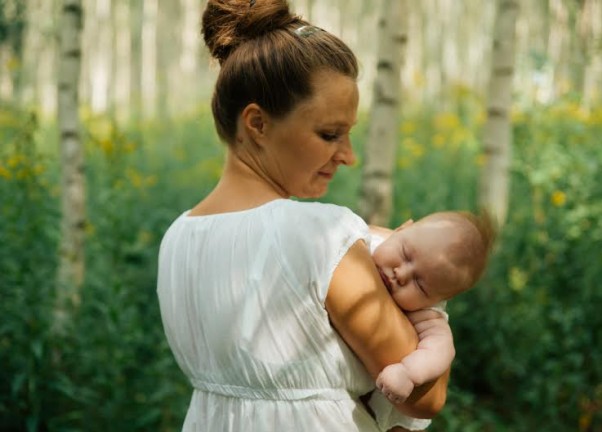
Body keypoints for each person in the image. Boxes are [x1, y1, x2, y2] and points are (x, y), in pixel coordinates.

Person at [157, 1, 449, 431]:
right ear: (257, 122)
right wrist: (433, 311)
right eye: (330, 134)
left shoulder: (177, 239)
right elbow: (427, 397)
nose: (348, 156)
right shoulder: (322, 236)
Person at [367, 211, 496, 405]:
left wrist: (408, 373)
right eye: (405, 254)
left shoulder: (426, 314)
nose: (401, 274)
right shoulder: (364, 240)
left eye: (420, 285)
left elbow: (441, 351)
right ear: (401, 229)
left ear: (440, 298)